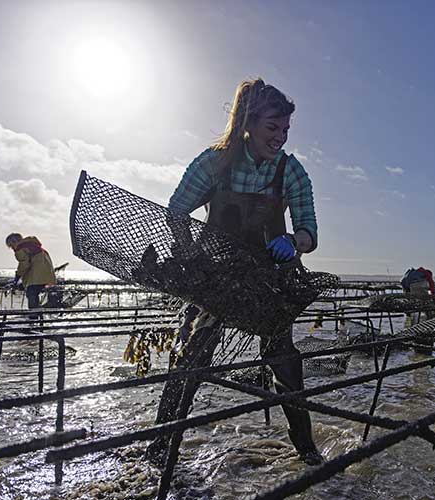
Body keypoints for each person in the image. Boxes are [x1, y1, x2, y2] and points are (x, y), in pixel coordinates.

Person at [149, 78, 321, 465]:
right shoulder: (214, 162)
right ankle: (159, 451)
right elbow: (176, 212)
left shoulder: (290, 172)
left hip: (270, 281)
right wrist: (189, 250)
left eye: (286, 130)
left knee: (284, 362)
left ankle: (308, 453)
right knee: (192, 357)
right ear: (248, 123)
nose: (280, 138)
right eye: (272, 128)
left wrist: (295, 241)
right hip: (217, 278)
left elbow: (310, 230)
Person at [4, 233, 56, 310]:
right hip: (46, 274)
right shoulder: (33, 246)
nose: (12, 249)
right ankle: (38, 313)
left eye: (11, 246)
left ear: (15, 242)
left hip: (37, 276)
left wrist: (17, 277)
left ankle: (33, 315)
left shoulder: (20, 249)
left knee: (31, 293)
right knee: (34, 292)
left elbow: (24, 265)